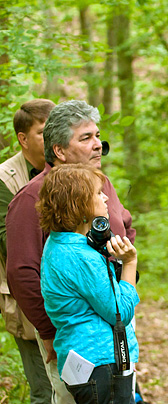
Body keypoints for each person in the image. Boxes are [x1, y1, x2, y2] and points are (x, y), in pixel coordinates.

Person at [6, 100, 135, 404]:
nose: (97, 146)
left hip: (115, 317)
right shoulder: (32, 198)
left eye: (97, 136)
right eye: (85, 138)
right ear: (60, 151)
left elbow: (125, 227)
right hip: (73, 334)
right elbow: (22, 273)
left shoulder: (101, 184)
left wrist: (128, 276)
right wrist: (50, 331)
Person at [37, 163, 139, 403]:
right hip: (101, 364)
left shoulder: (59, 244)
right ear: (78, 203)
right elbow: (120, 313)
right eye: (97, 193)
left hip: (86, 362)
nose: (105, 198)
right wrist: (130, 262)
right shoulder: (80, 257)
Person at [0, 99, 55, 403]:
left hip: (74, 299)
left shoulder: (69, 168)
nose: (52, 140)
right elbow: (12, 244)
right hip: (28, 301)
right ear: (22, 138)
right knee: (44, 392)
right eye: (43, 133)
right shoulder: (4, 179)